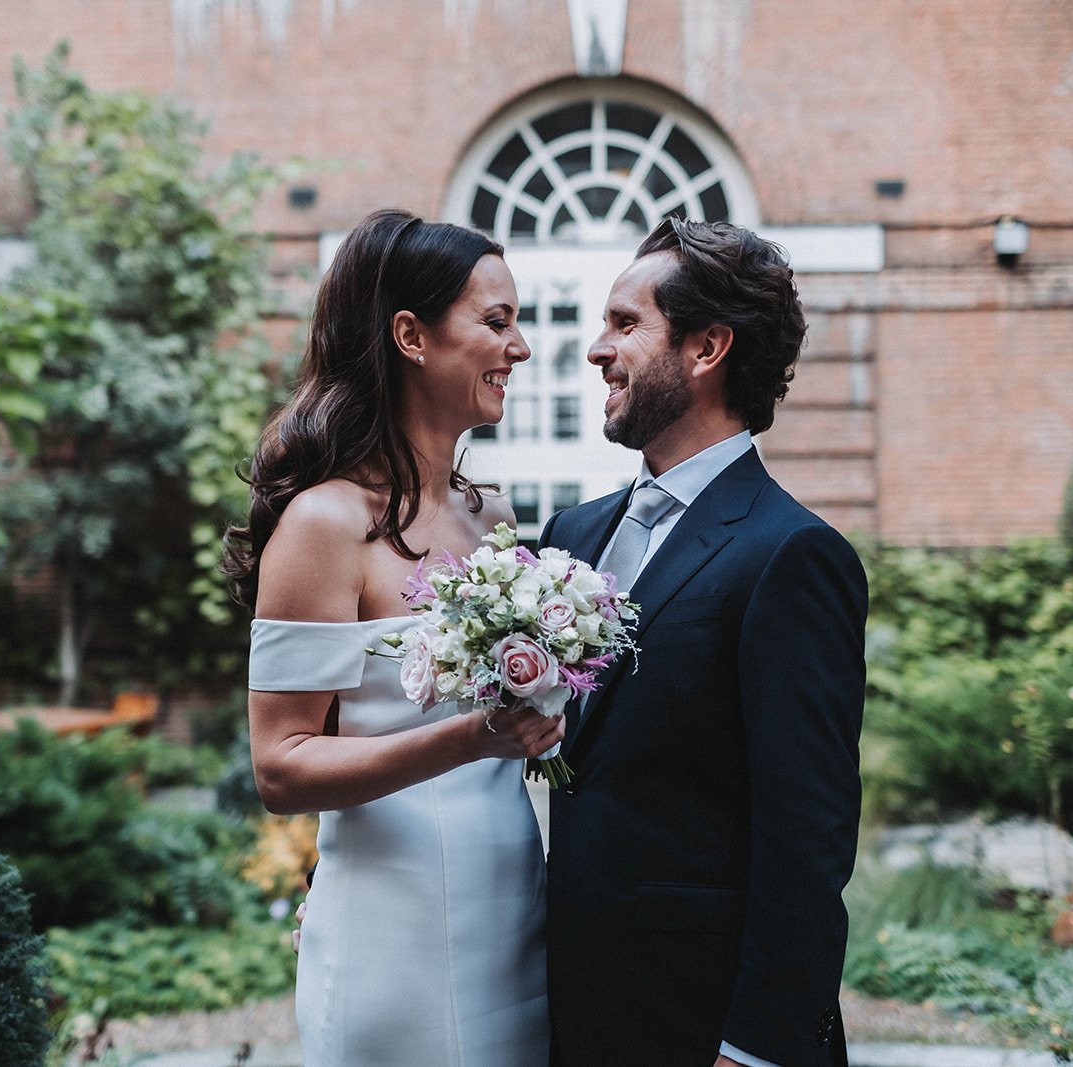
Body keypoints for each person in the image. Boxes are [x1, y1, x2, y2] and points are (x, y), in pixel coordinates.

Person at [222, 208, 561, 1066]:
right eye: (496, 321)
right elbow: (282, 764)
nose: (519, 347)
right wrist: (471, 736)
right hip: (393, 916)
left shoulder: (493, 517)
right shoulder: (324, 523)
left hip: (510, 899)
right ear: (411, 334)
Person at [540, 217, 868, 1066]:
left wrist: (755, 1046)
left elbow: (808, 837)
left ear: (706, 347)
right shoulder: (569, 538)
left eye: (624, 323)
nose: (595, 349)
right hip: (573, 1010)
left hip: (705, 1024)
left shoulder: (792, 555)